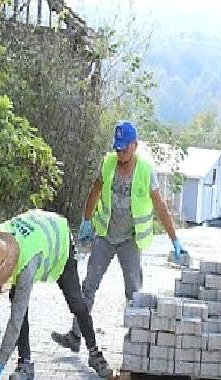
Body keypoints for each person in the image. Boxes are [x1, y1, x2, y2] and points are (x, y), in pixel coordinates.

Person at [51, 121, 188, 351]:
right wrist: (86, 220)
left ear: (135, 145)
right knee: (89, 286)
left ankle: (137, 341)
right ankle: (76, 335)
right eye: (117, 148)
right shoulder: (108, 163)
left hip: (130, 239)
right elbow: (95, 189)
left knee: (133, 290)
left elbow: (160, 206)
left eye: (124, 148)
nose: (120, 152)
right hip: (105, 235)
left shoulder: (145, 170)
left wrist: (174, 239)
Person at [0, 209, 111, 380]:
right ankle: (25, 363)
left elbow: (15, 320)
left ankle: (95, 354)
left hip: (59, 241)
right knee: (15, 298)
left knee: (76, 302)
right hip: (35, 232)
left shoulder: (26, 264)